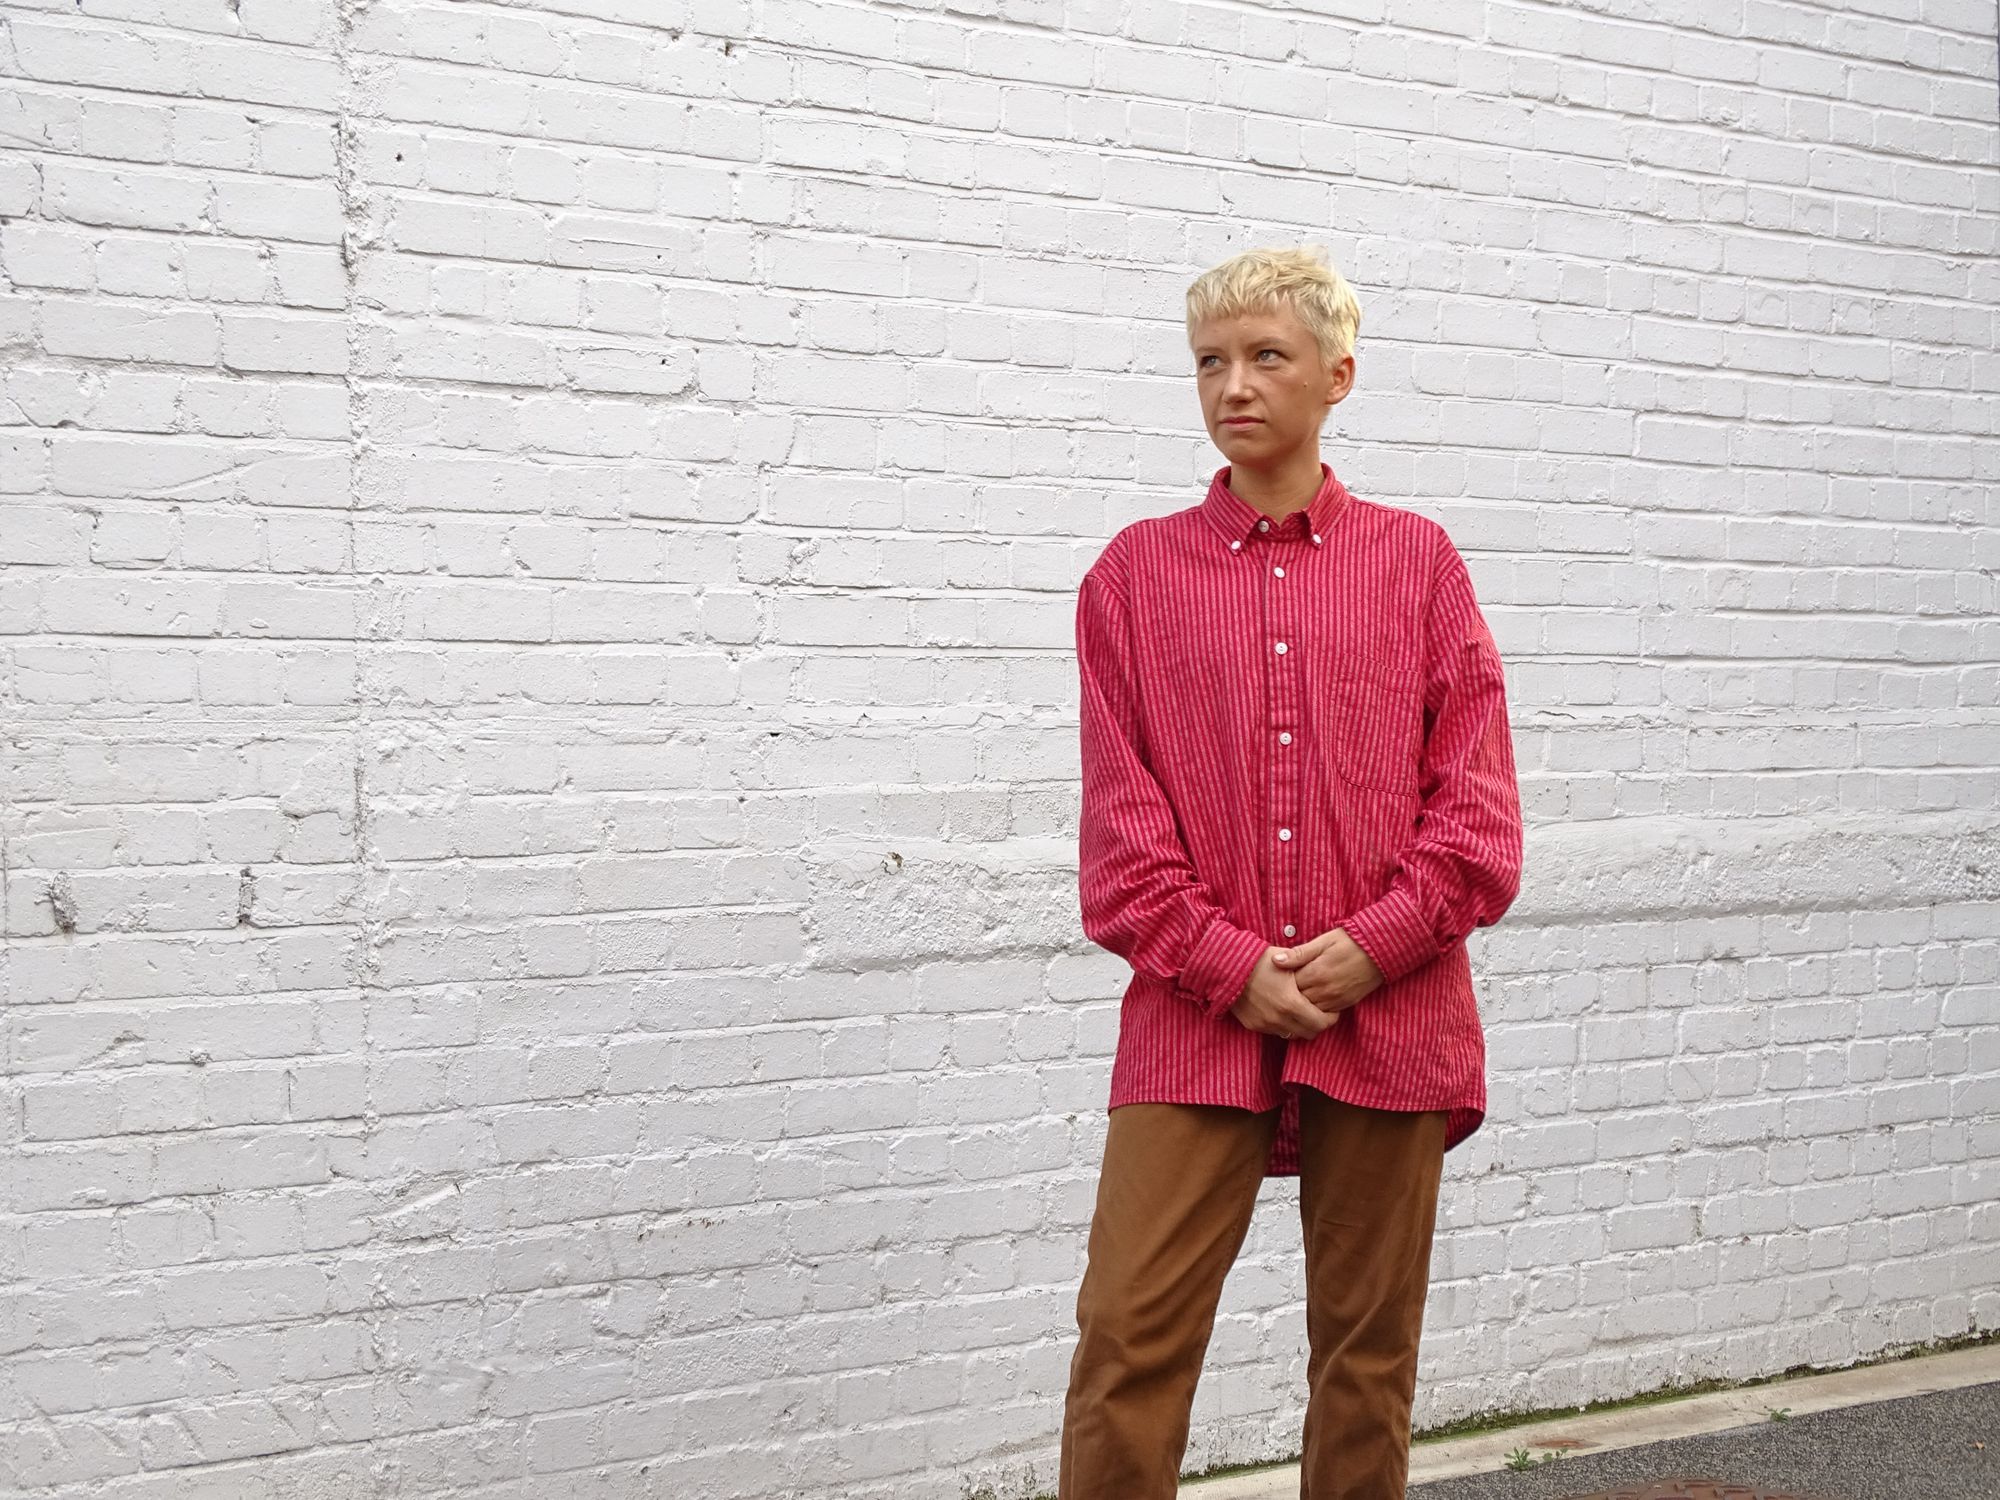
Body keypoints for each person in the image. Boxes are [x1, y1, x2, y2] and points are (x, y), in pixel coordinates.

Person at [1059, 245, 1525, 1500]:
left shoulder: (1418, 564)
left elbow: (1476, 815)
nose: (1233, 385)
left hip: (1392, 1010)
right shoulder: (1130, 577)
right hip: (1191, 1015)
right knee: (1125, 1340)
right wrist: (1229, 965)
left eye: (1266, 356)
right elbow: (1120, 841)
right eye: (1209, 361)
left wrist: (1372, 946)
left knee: (1366, 1360)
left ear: (1336, 376)